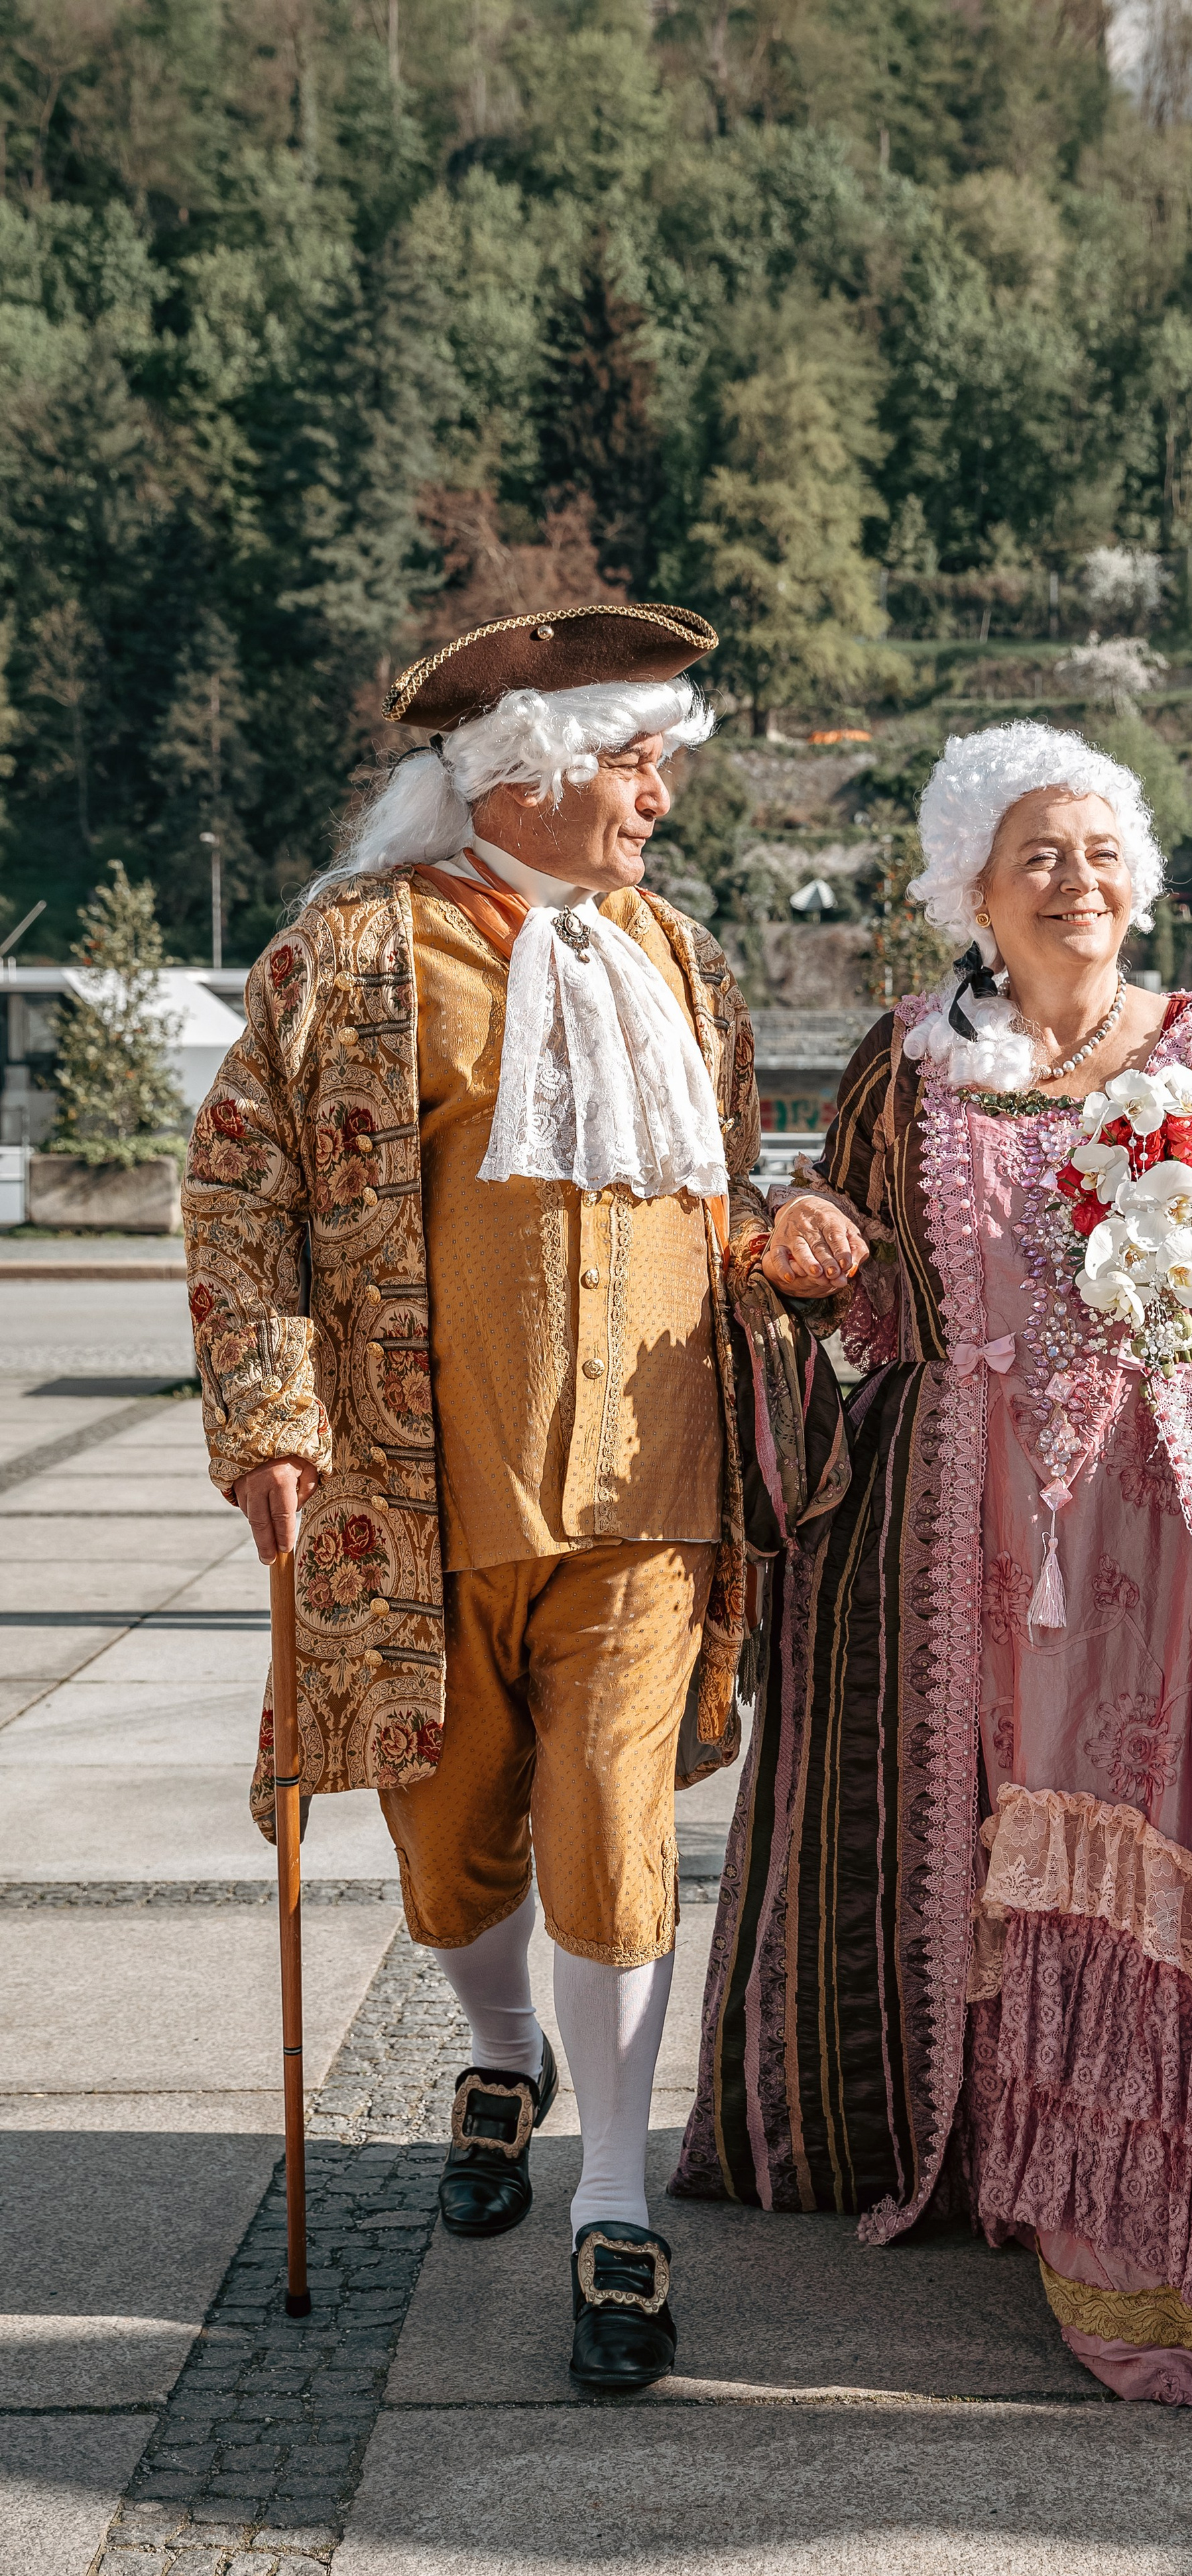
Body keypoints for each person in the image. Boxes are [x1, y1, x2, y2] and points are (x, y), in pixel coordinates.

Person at [675, 720, 1192, 2424]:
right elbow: (864, 1301)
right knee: (989, 1832)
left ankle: (1181, 2226)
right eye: (1036, 857)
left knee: (1171, 1829)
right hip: (963, 1518)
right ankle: (1013, 2161)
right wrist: (804, 1259)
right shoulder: (904, 1064)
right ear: (973, 891)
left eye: (1097, 853)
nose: (1075, 882)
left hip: (1172, 1514)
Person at [185, 602, 767, 2394]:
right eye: (634, 759)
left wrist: (791, 1258)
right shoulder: (351, 953)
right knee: (451, 1865)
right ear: (522, 772)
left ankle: (615, 2194)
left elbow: (717, 1198)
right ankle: (499, 2049)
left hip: (651, 1501)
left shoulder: (679, 958)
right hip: (417, 1508)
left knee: (613, 1830)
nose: (659, 798)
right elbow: (237, 1189)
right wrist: (274, 1419)